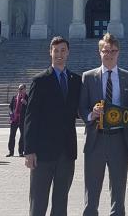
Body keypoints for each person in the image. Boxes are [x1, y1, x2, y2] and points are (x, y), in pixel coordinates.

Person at [24, 36, 81, 216]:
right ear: (50, 52)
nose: (59, 54)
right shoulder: (40, 80)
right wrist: (29, 150)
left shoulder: (75, 80)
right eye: (56, 51)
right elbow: (30, 116)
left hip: (66, 152)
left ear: (68, 53)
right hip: (43, 152)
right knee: (38, 202)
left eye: (63, 50)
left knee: (61, 203)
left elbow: (79, 110)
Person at [79, 33, 128, 216]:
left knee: (119, 193)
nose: (109, 54)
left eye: (113, 51)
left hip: (120, 140)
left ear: (118, 53)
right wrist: (91, 114)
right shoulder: (88, 77)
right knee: (91, 192)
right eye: (105, 51)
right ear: (99, 52)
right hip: (96, 139)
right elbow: (81, 106)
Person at [6, 84, 28, 157]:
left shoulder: (28, 97)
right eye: (19, 89)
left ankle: (21, 152)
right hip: (14, 119)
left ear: (25, 89)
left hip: (22, 120)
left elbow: (31, 108)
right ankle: (11, 152)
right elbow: (10, 107)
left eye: (21, 89)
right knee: (12, 135)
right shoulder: (14, 97)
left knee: (22, 136)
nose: (20, 90)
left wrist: (26, 103)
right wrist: (11, 115)